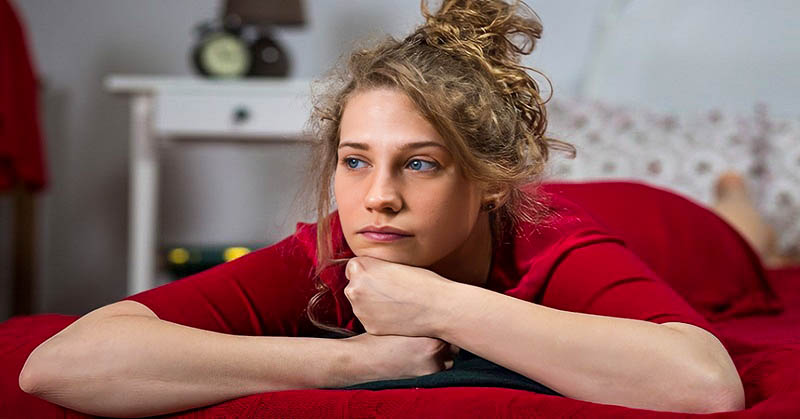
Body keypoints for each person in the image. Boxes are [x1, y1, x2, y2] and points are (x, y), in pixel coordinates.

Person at [18, 0, 745, 416]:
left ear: (490, 179)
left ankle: (743, 209)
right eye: (356, 160)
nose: (379, 196)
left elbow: (706, 384)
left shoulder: (556, 245)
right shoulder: (334, 249)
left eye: (420, 162)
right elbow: (59, 365)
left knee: (742, 241)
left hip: (660, 223)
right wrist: (344, 364)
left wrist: (438, 304)